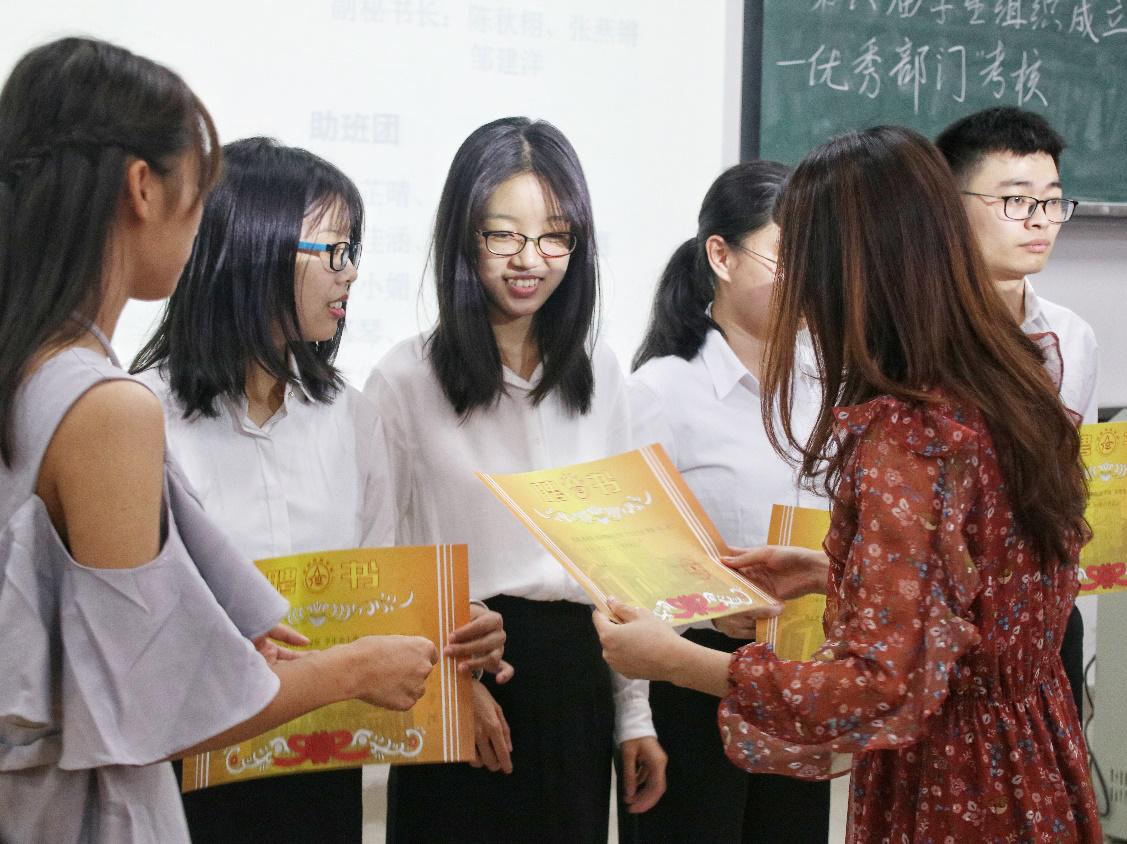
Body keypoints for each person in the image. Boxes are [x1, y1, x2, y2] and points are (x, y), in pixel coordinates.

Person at [594, 125, 1102, 842]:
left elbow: (877, 685)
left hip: (951, 783)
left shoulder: (908, 430)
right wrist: (833, 573)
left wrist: (676, 661)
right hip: (1032, 757)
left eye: (803, 259)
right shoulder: (1008, 379)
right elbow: (979, 597)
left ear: (849, 271)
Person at [0, 37, 436, 843]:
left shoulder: (32, 369)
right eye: (199, 192)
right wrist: (350, 669)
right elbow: (152, 706)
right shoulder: (111, 406)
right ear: (142, 188)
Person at [131, 137, 507, 842]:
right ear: (256, 248)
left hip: (321, 773)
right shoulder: (141, 418)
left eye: (352, 251)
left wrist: (453, 629)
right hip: (183, 778)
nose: (351, 272)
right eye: (333, 251)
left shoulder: (352, 419)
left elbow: (376, 596)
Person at [367, 116, 666, 843]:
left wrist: (634, 716)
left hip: (577, 679)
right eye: (503, 236)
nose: (530, 260)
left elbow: (618, 565)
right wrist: (451, 689)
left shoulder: (601, 373)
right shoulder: (404, 380)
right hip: (464, 670)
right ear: (463, 236)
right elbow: (381, 558)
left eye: (555, 236)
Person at [934, 106, 1127, 719]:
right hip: (943, 633)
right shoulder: (912, 341)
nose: (1041, 219)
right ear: (948, 206)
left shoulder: (1071, 336)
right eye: (1016, 200)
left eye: (1053, 200)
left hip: (1047, 626)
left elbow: (1072, 484)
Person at [624, 160, 830, 843]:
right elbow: (627, 569)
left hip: (801, 676)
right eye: (787, 255)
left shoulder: (828, 382)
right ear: (721, 255)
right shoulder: (662, 390)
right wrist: (712, 607)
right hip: (690, 686)